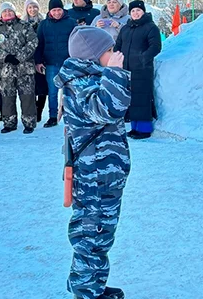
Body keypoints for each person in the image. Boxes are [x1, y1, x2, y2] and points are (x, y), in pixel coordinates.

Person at [54, 26, 131, 299]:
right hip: (95, 175)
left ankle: (91, 285)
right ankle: (87, 291)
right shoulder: (83, 83)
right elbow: (109, 108)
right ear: (93, 56)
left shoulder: (88, 78)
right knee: (92, 235)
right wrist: (115, 73)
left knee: (100, 234)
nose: (113, 55)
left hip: (102, 172)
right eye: (108, 51)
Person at [0, 2, 38, 134]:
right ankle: (9, 123)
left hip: (24, 68)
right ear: (1, 14)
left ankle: (29, 122)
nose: (8, 13)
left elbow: (33, 42)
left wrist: (20, 57)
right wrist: (6, 57)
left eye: (10, 11)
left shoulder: (25, 26)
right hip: (5, 69)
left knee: (27, 96)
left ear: (14, 12)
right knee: (7, 96)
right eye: (5, 12)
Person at [114, 0, 162, 139]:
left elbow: (155, 46)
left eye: (138, 11)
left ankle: (144, 129)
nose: (135, 13)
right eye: (133, 11)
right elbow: (118, 45)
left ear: (143, 12)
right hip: (126, 69)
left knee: (142, 98)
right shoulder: (125, 28)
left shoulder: (150, 27)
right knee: (131, 99)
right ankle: (134, 127)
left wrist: (143, 58)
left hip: (142, 69)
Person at [35, 0, 78, 128]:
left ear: (63, 9)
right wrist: (38, 61)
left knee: (71, 91)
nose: (57, 13)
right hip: (50, 62)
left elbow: (78, 41)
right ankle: (53, 116)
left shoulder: (71, 23)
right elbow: (39, 44)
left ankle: (73, 115)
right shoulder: (43, 25)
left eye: (59, 10)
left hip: (68, 62)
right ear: (50, 11)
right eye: (54, 10)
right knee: (52, 92)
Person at [23, 0, 49, 122]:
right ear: (26, 9)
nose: (32, 10)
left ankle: (39, 111)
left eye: (35, 7)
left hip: (42, 58)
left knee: (42, 87)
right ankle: (33, 110)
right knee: (30, 87)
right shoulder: (23, 24)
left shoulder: (44, 22)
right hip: (27, 59)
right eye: (30, 7)